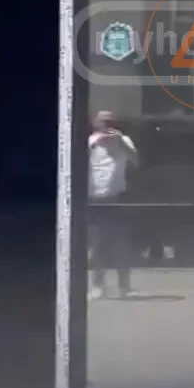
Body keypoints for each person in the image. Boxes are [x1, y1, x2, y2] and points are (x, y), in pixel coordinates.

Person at [88, 111, 138, 299]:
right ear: (96, 123)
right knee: (96, 244)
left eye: (110, 121)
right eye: (103, 121)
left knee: (121, 243)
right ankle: (98, 286)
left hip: (117, 197)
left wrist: (120, 143)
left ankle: (125, 287)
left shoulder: (123, 140)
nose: (107, 124)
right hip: (93, 198)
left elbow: (136, 160)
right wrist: (95, 143)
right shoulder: (90, 141)